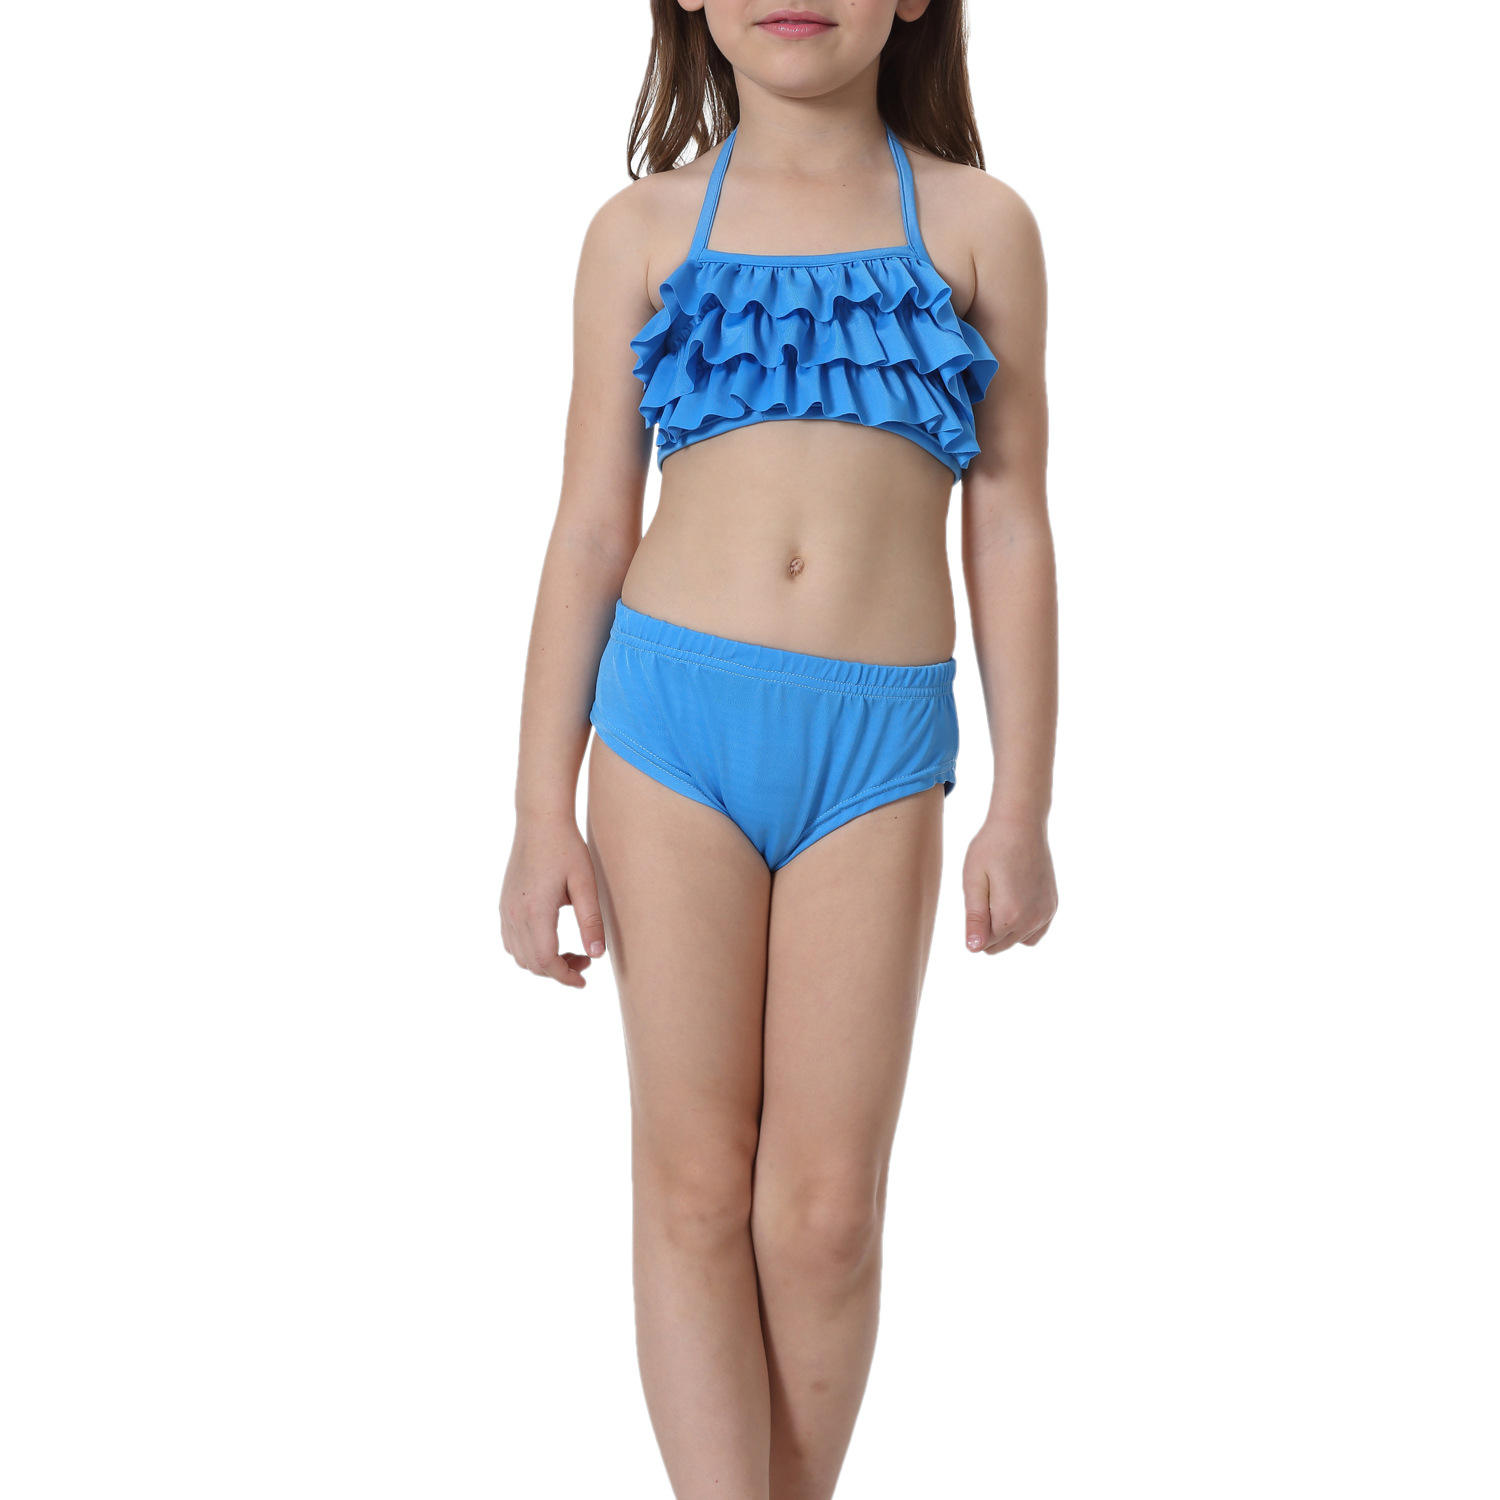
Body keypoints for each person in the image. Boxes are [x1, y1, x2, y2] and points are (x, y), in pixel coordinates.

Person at [500, 2, 1058, 1493]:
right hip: (669, 730)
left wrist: (1022, 804)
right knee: (693, 1187)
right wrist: (538, 808)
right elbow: (590, 528)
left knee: (824, 1214)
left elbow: (1010, 524)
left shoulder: (981, 227)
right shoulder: (639, 232)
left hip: (876, 749)